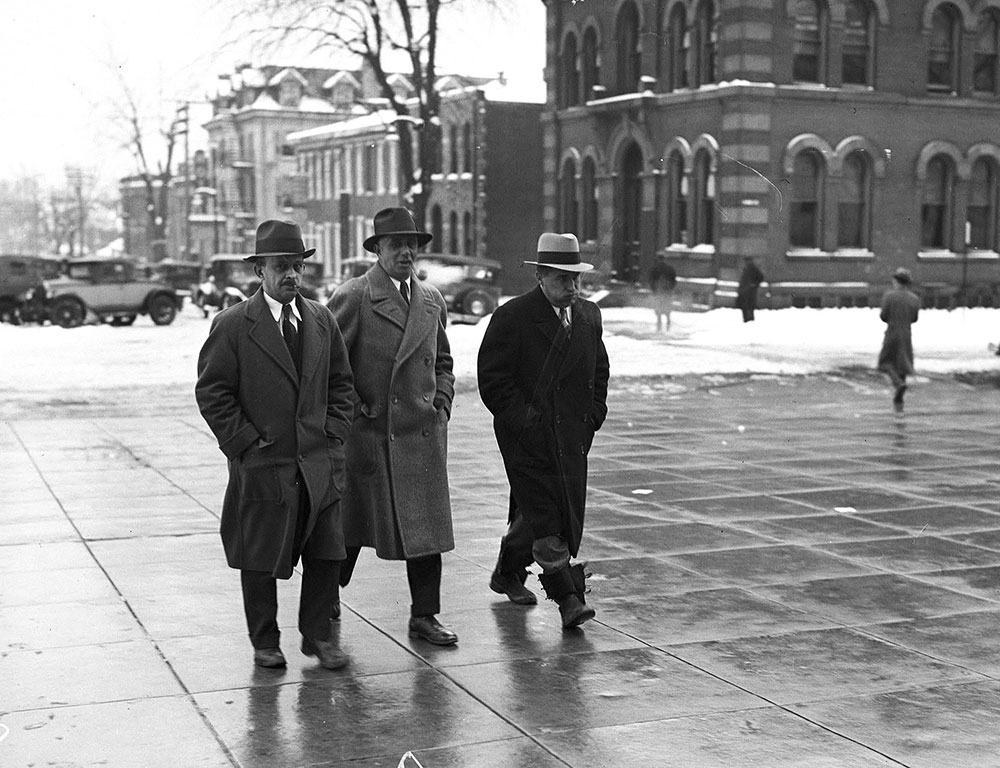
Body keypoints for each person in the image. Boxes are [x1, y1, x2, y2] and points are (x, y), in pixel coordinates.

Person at [195, 219, 355, 670]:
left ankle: (319, 635)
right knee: (260, 555)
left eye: (297, 267)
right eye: (281, 267)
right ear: (259, 271)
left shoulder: (321, 321)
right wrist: (245, 444)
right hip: (265, 464)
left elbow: (343, 384)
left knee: (327, 552)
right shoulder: (232, 325)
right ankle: (265, 640)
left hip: (318, 463)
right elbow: (212, 391)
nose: (291, 275)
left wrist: (335, 435)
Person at [328, 207, 459, 646]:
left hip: (421, 435)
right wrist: (355, 410)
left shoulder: (431, 300)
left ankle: (425, 616)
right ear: (378, 249)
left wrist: (441, 401)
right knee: (351, 530)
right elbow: (330, 366)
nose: (405, 252)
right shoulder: (354, 296)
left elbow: (443, 361)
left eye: (412, 244)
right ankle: (324, 605)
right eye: (395, 244)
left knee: (428, 533)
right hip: (370, 439)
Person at [478, 232, 610, 630]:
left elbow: (599, 372)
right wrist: (526, 421)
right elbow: (494, 381)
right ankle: (569, 599)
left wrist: (593, 416)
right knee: (549, 521)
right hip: (527, 440)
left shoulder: (588, 316)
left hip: (572, 438)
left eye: (576, 279)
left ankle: (507, 571)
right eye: (562, 279)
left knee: (553, 513)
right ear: (539, 276)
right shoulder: (512, 317)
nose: (571, 287)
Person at [877, 267, 920, 415]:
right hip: (906, 334)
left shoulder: (889, 296)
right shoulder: (914, 298)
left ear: (896, 281)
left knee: (885, 362)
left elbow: (883, 316)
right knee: (902, 363)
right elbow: (914, 318)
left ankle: (898, 383)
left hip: (892, 332)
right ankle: (899, 398)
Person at [648, 255, 677, 332]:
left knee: (659, 308)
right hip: (667, 291)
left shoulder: (655, 269)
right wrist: (671, 289)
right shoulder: (670, 269)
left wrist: (654, 290)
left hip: (659, 291)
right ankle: (668, 323)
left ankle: (659, 323)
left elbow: (651, 280)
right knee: (667, 308)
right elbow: (673, 280)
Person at [736, 256, 765, 323]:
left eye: (747, 261)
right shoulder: (745, 269)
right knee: (745, 306)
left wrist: (754, 284)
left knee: (749, 306)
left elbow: (760, 277)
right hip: (745, 291)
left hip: (750, 291)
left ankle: (749, 319)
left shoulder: (753, 269)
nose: (746, 262)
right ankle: (746, 319)